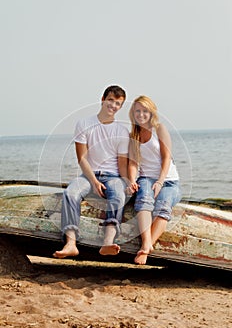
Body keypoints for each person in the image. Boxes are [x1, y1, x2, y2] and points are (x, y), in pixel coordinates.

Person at [53, 85, 129, 258]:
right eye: (110, 100)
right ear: (102, 99)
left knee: (118, 195)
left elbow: (122, 164)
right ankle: (71, 243)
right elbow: (82, 159)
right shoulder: (84, 124)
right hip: (88, 175)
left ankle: (108, 242)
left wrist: (129, 181)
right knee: (71, 193)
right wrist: (94, 182)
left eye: (118, 103)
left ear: (121, 107)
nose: (113, 106)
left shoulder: (122, 131)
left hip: (113, 177)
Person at [127, 95, 181, 265]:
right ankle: (147, 243)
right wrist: (131, 180)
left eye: (144, 111)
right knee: (143, 201)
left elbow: (166, 158)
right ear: (133, 113)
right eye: (137, 111)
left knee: (163, 207)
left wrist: (160, 181)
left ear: (151, 112)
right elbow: (134, 163)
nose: (141, 114)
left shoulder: (160, 129)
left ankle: (146, 247)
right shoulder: (133, 135)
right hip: (146, 178)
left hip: (169, 180)